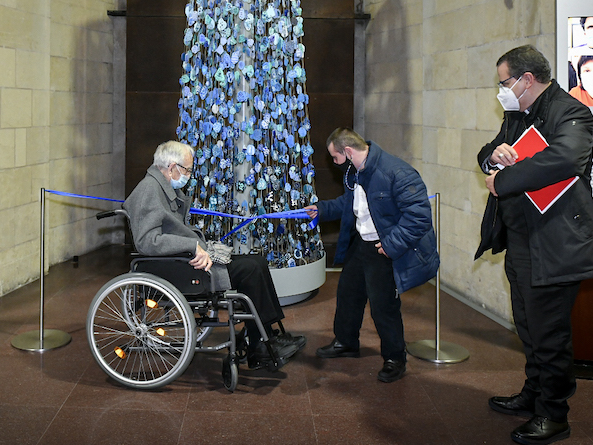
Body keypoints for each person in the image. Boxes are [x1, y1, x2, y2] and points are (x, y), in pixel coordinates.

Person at [477, 45, 593, 445]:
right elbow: (489, 151)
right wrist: (491, 157)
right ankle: (533, 395)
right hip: (520, 242)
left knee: (550, 334)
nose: (502, 90)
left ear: (526, 79)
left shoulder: (572, 112)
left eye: (504, 82)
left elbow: (565, 159)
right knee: (529, 327)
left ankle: (554, 415)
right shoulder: (515, 114)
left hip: (555, 243)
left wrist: (502, 181)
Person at [123, 140, 305, 371]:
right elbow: (147, 242)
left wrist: (195, 246)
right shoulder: (149, 190)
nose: (188, 174)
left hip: (184, 258)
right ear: (171, 167)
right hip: (179, 266)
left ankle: (264, 335)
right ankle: (260, 345)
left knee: (257, 261)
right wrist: (192, 245)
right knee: (249, 270)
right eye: (187, 169)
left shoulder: (161, 187)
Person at [305, 128, 438, 383]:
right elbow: (349, 204)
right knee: (348, 294)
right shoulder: (356, 172)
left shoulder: (397, 172)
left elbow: (419, 218)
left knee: (383, 306)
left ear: (348, 152)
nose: (334, 163)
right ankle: (346, 342)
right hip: (362, 244)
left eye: (335, 158)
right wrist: (320, 209)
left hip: (384, 247)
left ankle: (395, 358)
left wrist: (391, 245)